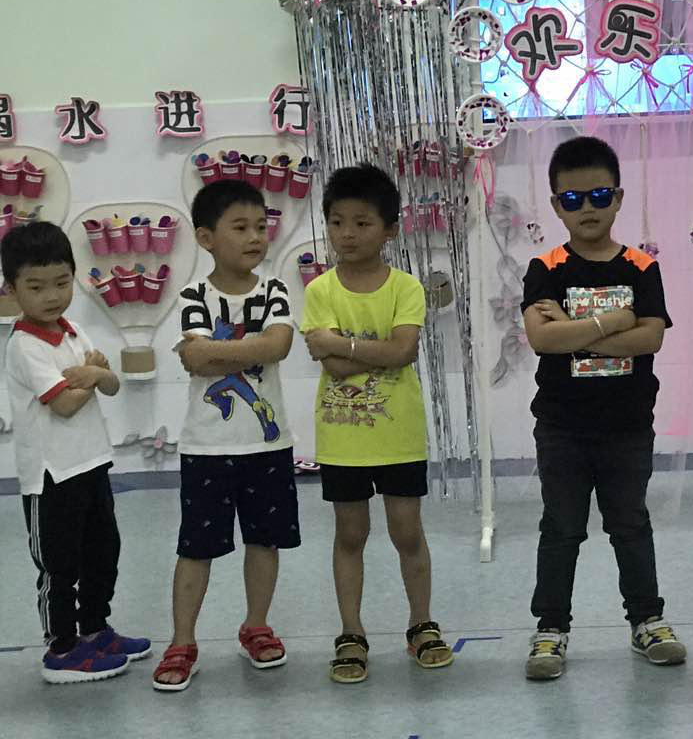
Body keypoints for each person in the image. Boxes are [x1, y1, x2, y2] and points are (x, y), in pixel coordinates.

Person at [520, 136, 684, 681]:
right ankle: (551, 628)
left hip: (627, 426)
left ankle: (647, 620)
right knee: (561, 528)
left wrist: (575, 332)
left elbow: (651, 337)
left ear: (618, 198)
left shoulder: (641, 267)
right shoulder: (545, 267)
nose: (586, 208)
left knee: (631, 524)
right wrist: (614, 321)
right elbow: (542, 340)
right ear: (555, 205)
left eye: (598, 196)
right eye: (572, 199)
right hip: (562, 427)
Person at [300, 162, 451, 684]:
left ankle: (421, 623)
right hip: (342, 439)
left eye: (362, 223)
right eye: (337, 222)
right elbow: (332, 364)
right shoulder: (320, 290)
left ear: (390, 229)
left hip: (399, 436)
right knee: (350, 534)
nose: (347, 233)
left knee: (407, 532)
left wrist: (340, 344)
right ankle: (351, 633)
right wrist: (368, 350)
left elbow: (403, 352)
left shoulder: (406, 288)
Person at [151, 180, 299, 692]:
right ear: (206, 237)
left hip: (268, 446)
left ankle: (256, 626)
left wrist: (219, 353)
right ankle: (182, 641)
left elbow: (277, 347)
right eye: (240, 227)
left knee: (264, 541)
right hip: (207, 448)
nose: (255, 237)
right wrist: (248, 349)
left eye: (260, 226)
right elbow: (195, 359)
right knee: (196, 547)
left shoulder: (274, 290)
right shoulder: (194, 295)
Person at [2, 221, 151, 683]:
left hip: (91, 463)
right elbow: (65, 404)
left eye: (62, 282)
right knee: (59, 565)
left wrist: (93, 375)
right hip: (51, 476)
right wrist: (92, 376)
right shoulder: (24, 346)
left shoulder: (73, 331)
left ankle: (95, 631)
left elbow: (111, 383)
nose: (52, 296)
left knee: (103, 552)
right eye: (36, 286)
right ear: (11, 289)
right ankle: (62, 649)